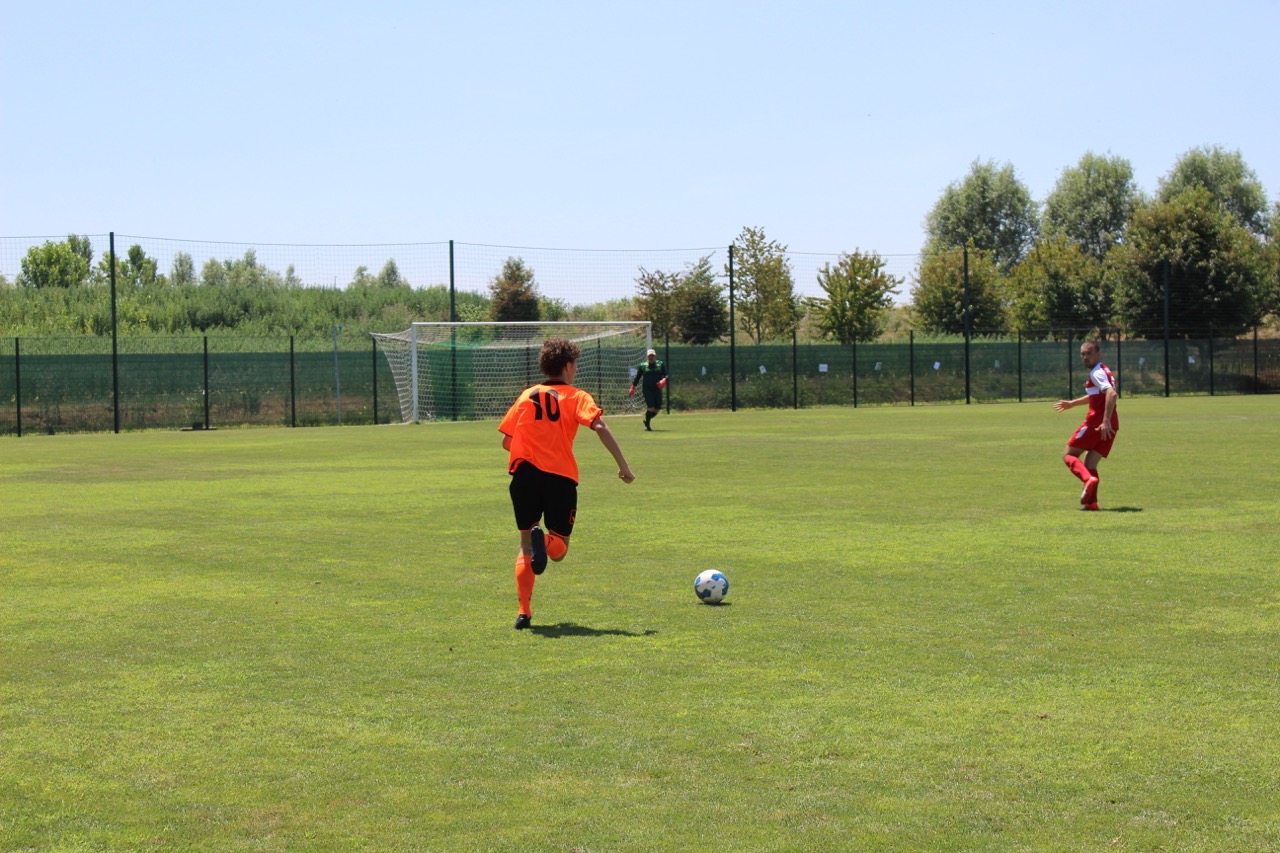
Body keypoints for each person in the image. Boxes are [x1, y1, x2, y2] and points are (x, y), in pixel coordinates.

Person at [499, 338, 636, 630]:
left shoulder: (527, 395)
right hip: (559, 477)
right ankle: (545, 540)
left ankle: (524, 613)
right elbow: (599, 425)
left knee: (525, 544)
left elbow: (507, 441)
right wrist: (623, 465)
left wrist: (532, 446)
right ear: (569, 366)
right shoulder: (576, 396)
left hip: (524, 476)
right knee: (559, 550)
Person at [1054, 340, 1119, 511]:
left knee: (1069, 455)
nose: (1085, 357)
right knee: (1090, 464)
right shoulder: (1104, 370)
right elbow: (1097, 395)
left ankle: (1087, 480)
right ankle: (1092, 503)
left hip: (1097, 422)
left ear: (1098, 354)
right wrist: (1072, 404)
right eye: (1083, 354)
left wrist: (1104, 421)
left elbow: (1111, 394)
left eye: (1089, 353)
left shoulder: (1097, 373)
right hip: (1112, 424)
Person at [629, 348, 669, 431]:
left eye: (652, 356)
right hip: (647, 389)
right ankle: (647, 426)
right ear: (647, 357)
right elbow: (637, 377)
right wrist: (633, 387)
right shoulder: (643, 366)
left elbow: (666, 375)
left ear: (655, 356)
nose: (651, 357)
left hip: (657, 389)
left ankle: (646, 420)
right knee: (651, 407)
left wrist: (664, 380)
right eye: (649, 356)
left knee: (657, 409)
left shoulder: (660, 364)